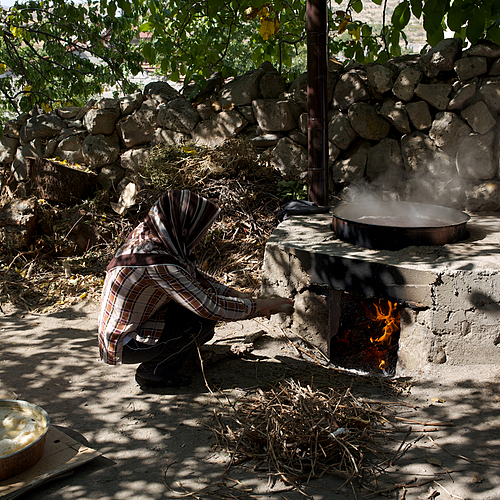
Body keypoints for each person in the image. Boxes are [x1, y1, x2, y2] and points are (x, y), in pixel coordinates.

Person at [98, 189, 294, 389]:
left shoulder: (153, 235)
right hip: (126, 343)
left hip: (128, 329)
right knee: (200, 322)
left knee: (195, 318)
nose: (202, 234)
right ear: (183, 226)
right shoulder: (157, 263)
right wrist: (259, 306)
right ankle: (155, 373)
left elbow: (191, 278)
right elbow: (210, 307)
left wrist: (234, 294)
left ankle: (174, 355)